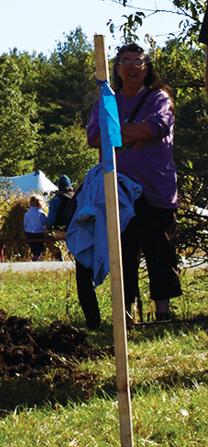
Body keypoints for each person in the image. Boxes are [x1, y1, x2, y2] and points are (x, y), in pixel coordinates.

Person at [85, 43, 179, 324]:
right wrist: (131, 134)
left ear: (147, 68)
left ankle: (163, 313)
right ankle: (125, 315)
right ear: (116, 69)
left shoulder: (157, 98)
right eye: (126, 61)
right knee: (122, 254)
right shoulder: (106, 101)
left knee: (159, 253)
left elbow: (155, 128)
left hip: (156, 190)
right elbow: (93, 138)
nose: (132, 66)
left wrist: (113, 130)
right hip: (120, 192)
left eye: (139, 61)